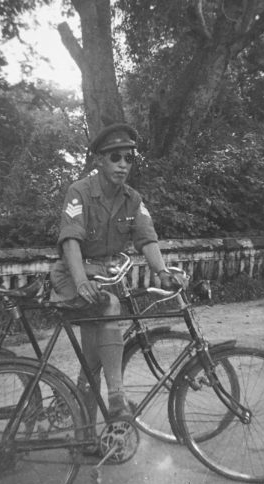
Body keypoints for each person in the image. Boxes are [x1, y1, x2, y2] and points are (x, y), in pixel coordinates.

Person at [50, 123, 180, 427]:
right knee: (109, 307)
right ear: (100, 160)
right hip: (74, 276)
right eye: (115, 157)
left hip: (105, 279)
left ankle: (87, 437)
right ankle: (117, 399)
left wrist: (162, 271)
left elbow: (146, 238)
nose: (123, 165)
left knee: (92, 360)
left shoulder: (132, 199)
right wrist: (81, 281)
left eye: (129, 159)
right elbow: (71, 240)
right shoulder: (79, 191)